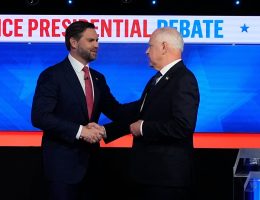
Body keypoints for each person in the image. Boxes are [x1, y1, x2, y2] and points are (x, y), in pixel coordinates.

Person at [31, 21, 125, 200]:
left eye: (97, 40)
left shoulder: (98, 78)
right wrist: (81, 131)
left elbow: (117, 112)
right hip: (62, 169)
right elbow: (40, 117)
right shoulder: (52, 75)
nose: (97, 45)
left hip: (93, 167)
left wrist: (146, 103)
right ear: (74, 43)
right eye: (91, 40)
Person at [103, 27, 200, 200]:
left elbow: (183, 127)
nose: (147, 51)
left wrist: (144, 128)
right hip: (151, 176)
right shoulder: (157, 79)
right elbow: (137, 112)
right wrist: (105, 130)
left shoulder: (184, 79)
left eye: (150, 45)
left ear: (164, 46)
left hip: (167, 179)